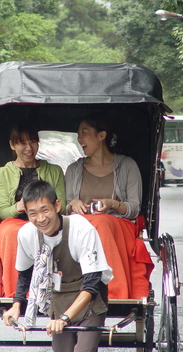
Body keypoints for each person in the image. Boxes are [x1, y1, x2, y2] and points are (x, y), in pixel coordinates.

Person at [2, 180, 112, 352]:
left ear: (57, 205)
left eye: (45, 210)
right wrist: (16, 305)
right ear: (26, 213)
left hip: (90, 304)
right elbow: (25, 274)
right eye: (33, 213)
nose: (40, 218)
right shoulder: (27, 234)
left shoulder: (81, 229)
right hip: (59, 301)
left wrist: (64, 319)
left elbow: (92, 285)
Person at [65, 114, 153, 299]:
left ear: (101, 135)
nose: (79, 139)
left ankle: (112, 290)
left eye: (84, 133)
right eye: (78, 134)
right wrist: (73, 204)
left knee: (102, 223)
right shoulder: (73, 169)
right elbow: (65, 205)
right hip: (81, 226)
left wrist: (112, 204)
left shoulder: (127, 166)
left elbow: (135, 208)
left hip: (117, 226)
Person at [0, 124, 66, 297]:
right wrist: (18, 206)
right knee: (12, 232)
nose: (28, 148)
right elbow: (3, 212)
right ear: (12, 145)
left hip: (49, 219)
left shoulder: (54, 171)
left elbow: (62, 203)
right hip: (17, 221)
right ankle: (16, 293)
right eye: (22, 143)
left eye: (33, 142)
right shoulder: (1, 174)